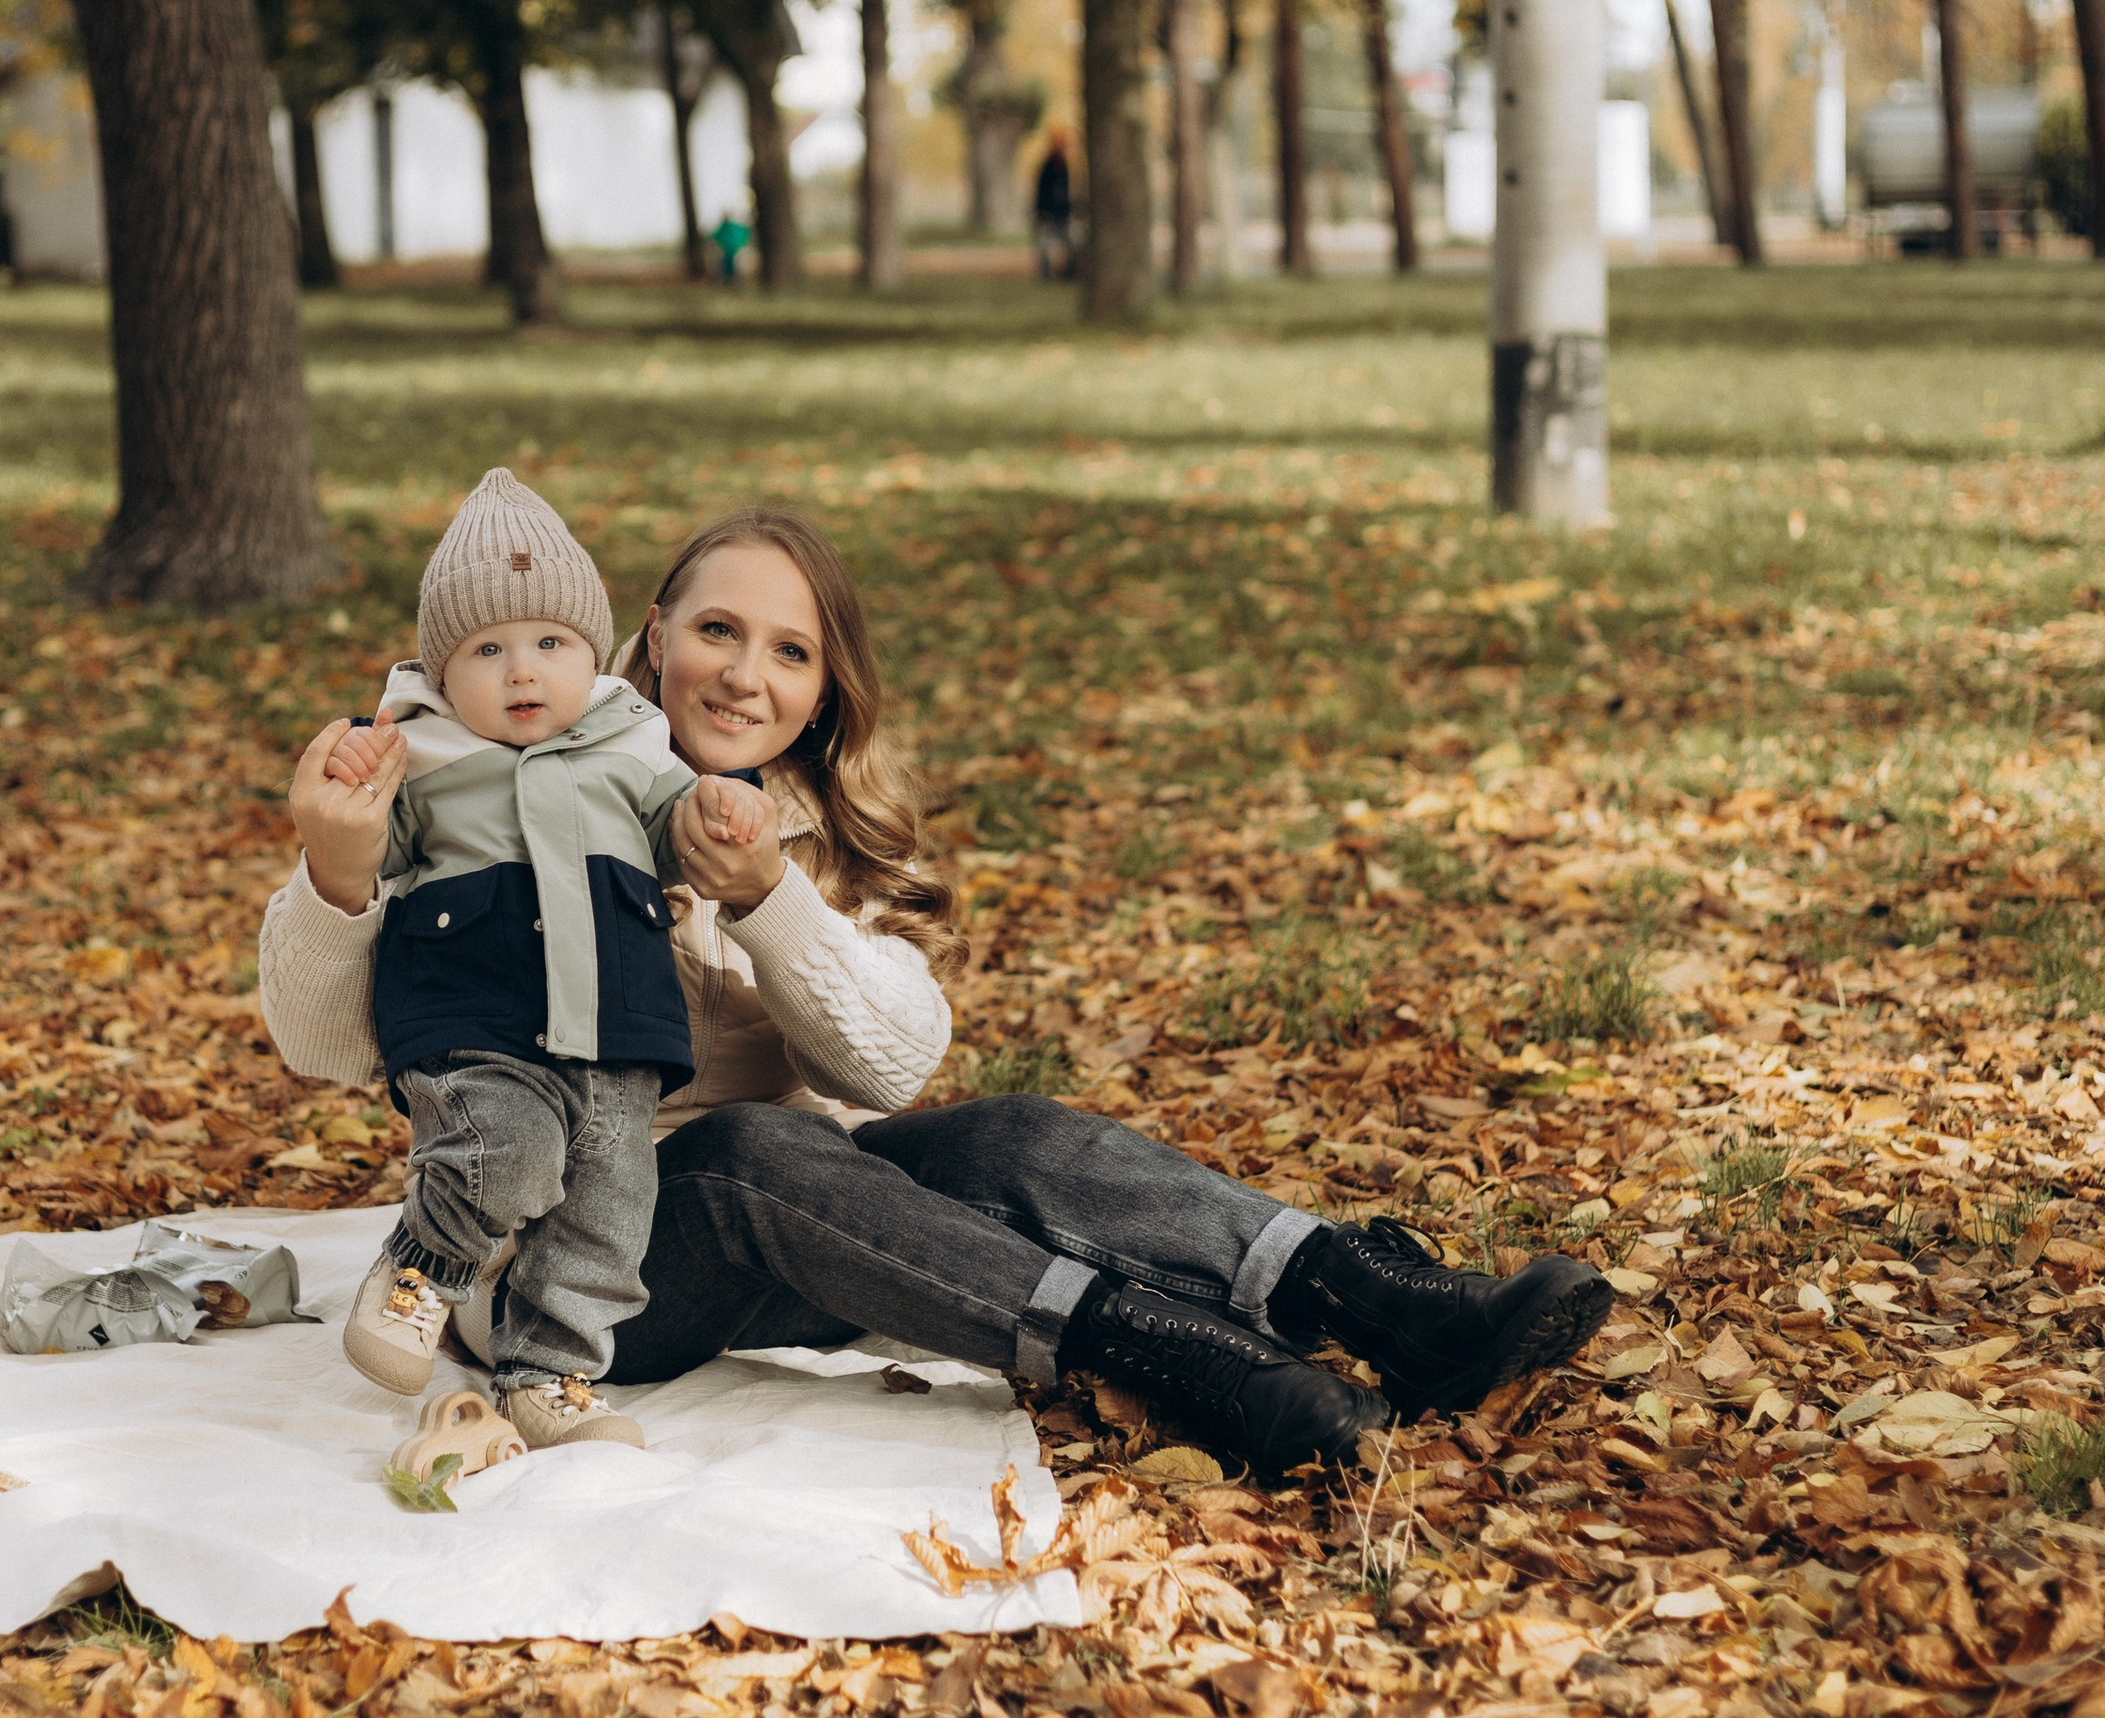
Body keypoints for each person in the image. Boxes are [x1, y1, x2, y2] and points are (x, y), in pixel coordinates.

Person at [266, 509, 1608, 1481]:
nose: (746, 673)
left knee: (1008, 1134)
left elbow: (897, 1066)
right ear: (648, 639)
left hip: (818, 1225)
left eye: (789, 653)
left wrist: (763, 899)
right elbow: (318, 1043)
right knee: (750, 1152)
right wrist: (335, 864)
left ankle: (1383, 1307)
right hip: (567, 1267)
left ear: (820, 691)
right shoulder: (491, 778)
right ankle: (1187, 1367)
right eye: (718, 630)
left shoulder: (806, 829)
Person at [304, 466, 762, 1453]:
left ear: (591, 655)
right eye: (488, 649)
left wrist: (711, 809)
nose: (522, 673)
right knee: (504, 1152)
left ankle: (548, 1377)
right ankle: (419, 1269)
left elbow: (676, 829)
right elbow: (364, 851)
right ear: (440, 665)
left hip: (617, 1028)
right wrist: (345, 807)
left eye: (550, 645)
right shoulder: (416, 750)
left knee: (609, 1208)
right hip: (475, 1019)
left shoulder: (635, 742)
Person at [1032, 132, 1076, 281]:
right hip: (1048, 214)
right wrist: (1041, 212)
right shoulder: (1048, 166)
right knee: (1044, 247)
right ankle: (1046, 277)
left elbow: (1064, 191)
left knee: (1070, 245)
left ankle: (1068, 274)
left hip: (1061, 214)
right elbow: (1041, 191)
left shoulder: (1064, 166)